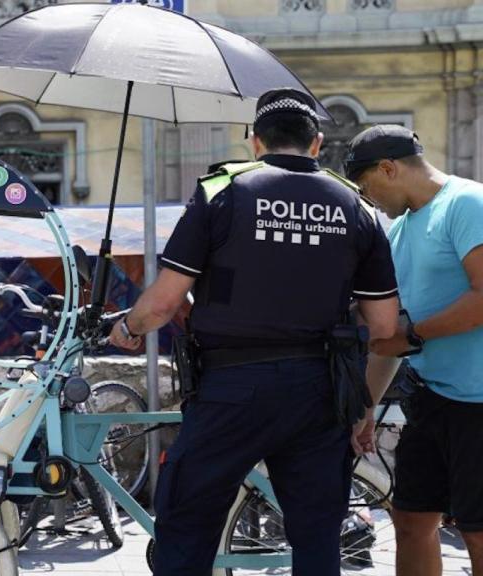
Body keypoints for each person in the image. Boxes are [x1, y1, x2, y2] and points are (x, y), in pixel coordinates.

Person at [108, 88, 399, 575]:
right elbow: (385, 326)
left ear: (255, 141)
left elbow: (162, 305)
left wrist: (128, 326)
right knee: (317, 536)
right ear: (316, 143)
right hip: (319, 391)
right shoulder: (357, 207)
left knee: (187, 526)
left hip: (230, 389)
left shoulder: (222, 192)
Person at [345, 125, 483, 576]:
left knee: (478, 532)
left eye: (368, 190)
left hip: (479, 404)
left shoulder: (466, 203)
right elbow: (390, 338)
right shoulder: (400, 231)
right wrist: (366, 405)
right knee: (410, 519)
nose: (370, 203)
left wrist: (415, 336)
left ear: (389, 168)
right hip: (431, 398)